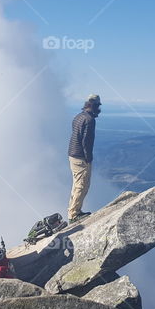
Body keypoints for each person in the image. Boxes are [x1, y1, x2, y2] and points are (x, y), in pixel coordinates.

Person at [67, 94, 101, 222]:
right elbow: (86, 141)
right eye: (98, 106)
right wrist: (88, 158)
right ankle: (74, 215)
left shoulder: (78, 117)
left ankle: (74, 210)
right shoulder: (89, 120)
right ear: (94, 105)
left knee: (77, 184)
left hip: (72, 154)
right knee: (82, 185)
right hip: (81, 156)